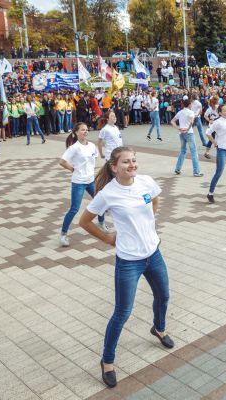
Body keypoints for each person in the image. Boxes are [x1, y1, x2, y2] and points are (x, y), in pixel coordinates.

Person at [78, 146, 174, 388]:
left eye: (133, 160)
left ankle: (159, 328)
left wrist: (151, 231)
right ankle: (107, 361)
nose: (132, 165)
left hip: (154, 254)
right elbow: (84, 221)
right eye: (125, 162)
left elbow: (154, 201)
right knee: (122, 312)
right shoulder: (108, 194)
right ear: (114, 167)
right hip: (129, 261)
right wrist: (108, 238)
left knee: (163, 296)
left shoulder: (146, 182)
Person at [59, 123, 107, 247]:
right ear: (76, 132)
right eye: (82, 130)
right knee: (74, 208)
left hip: (90, 180)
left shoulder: (92, 146)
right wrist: (72, 169)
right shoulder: (74, 147)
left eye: (86, 130)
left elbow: (93, 160)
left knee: (100, 201)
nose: (85, 132)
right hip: (78, 182)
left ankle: (101, 223)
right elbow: (62, 162)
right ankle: (63, 235)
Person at [171, 98, 203, 177]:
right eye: (191, 104)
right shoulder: (191, 112)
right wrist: (188, 129)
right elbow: (192, 122)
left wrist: (178, 128)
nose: (192, 105)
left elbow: (172, 121)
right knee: (194, 152)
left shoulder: (180, 112)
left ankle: (177, 169)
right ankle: (196, 172)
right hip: (189, 133)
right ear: (189, 105)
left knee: (183, 151)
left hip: (181, 133)